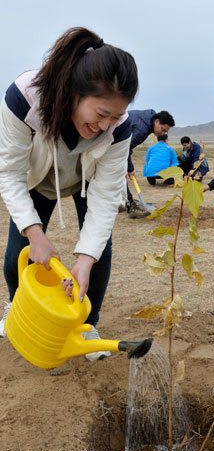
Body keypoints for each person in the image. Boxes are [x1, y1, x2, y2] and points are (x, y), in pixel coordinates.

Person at [0, 27, 139, 362]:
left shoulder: (119, 130)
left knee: (99, 253)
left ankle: (87, 324)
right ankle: (20, 310)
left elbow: (106, 198)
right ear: (74, 92)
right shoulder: (25, 99)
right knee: (14, 259)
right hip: (37, 180)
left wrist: (85, 260)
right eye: (101, 113)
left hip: (84, 182)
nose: (106, 125)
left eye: (116, 115)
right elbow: (10, 173)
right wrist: (35, 233)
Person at [126, 109, 175, 218]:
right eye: (162, 129)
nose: (162, 133)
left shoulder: (146, 118)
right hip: (108, 143)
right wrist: (130, 168)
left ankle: (124, 202)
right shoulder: (141, 129)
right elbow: (124, 149)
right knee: (117, 175)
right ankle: (130, 205)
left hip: (111, 142)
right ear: (157, 121)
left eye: (165, 132)